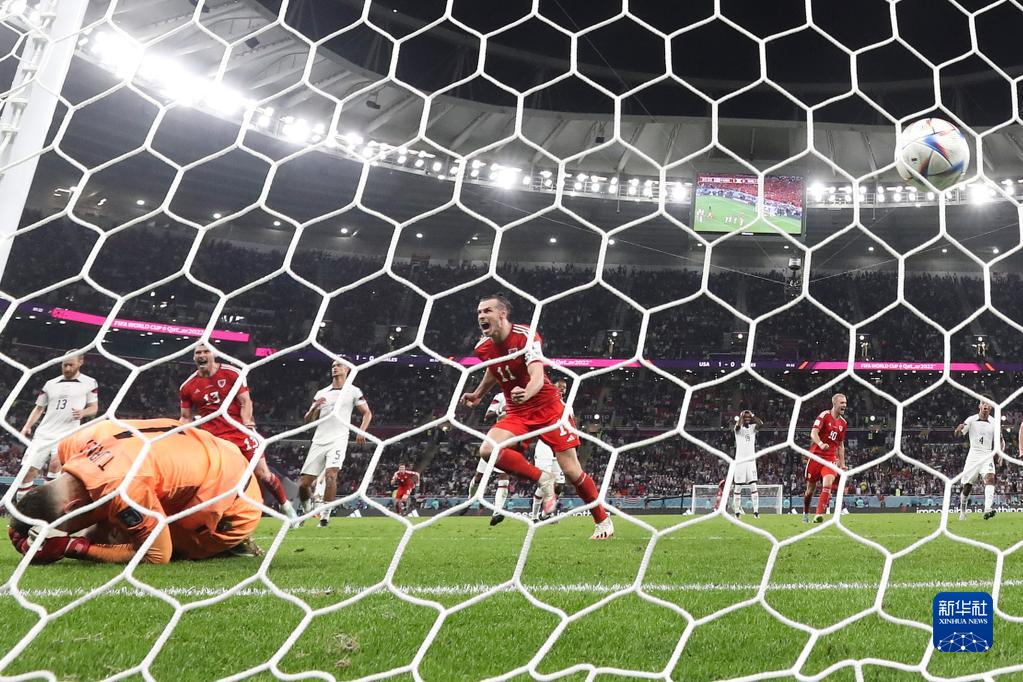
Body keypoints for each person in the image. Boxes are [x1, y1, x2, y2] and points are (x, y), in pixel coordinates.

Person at [460, 295, 613, 540]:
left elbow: (538, 375)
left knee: (571, 471)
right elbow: (495, 367)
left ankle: (602, 520)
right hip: (518, 412)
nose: (481, 316)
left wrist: (527, 392)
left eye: (487, 311)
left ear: (502, 314)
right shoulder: (483, 347)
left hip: (548, 409)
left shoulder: (525, 336)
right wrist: (478, 394)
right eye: (479, 312)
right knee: (488, 450)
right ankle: (543, 479)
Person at [9, 418, 262, 564]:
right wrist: (19, 524)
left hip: (236, 501)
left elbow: (158, 555)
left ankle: (231, 543)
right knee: (113, 521)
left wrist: (73, 547)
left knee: (118, 538)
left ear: (71, 508)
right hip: (202, 447)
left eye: (66, 526)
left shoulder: (123, 489)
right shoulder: (72, 444)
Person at [179, 343, 296, 520]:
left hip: (239, 432)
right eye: (198, 353)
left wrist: (247, 423)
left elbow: (245, 401)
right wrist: (180, 434)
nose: (202, 355)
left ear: (214, 354)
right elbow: (185, 417)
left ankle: (286, 506)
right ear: (194, 357)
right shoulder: (187, 386)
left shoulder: (232, 373)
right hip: (214, 440)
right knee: (217, 480)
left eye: (205, 351)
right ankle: (225, 517)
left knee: (263, 475)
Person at [297, 360, 372, 527]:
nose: (335, 368)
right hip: (319, 440)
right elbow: (308, 421)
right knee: (303, 485)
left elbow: (367, 413)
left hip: (339, 439)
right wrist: (314, 408)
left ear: (347, 369)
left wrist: (361, 431)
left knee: (331, 476)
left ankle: (325, 516)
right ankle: (307, 509)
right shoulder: (322, 393)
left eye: (338, 365)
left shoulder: (353, 391)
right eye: (333, 366)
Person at [15, 353, 98, 501]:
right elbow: (39, 408)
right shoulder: (50, 384)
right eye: (64, 365)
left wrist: (83, 412)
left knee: (55, 467)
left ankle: (47, 507)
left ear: (80, 362)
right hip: (44, 433)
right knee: (28, 471)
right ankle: (20, 507)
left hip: (67, 434)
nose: (67, 368)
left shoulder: (90, 383)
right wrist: (27, 426)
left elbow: (94, 408)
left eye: (71, 365)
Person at [463, 391, 512, 525]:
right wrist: (501, 410)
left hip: (511, 440)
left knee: (504, 477)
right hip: (495, 439)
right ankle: (470, 499)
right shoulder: (500, 397)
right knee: (479, 476)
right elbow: (487, 417)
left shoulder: (527, 396)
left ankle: (497, 511)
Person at [802, 394, 847, 523]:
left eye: (845, 403)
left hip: (830, 459)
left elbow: (840, 445)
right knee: (810, 490)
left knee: (827, 484)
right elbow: (813, 433)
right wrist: (821, 444)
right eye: (842, 403)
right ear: (834, 403)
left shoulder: (843, 423)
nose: (844, 405)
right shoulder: (824, 416)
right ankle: (806, 513)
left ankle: (818, 514)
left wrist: (842, 464)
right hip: (816, 457)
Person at [530, 378, 570, 521]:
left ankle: (545, 514)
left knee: (559, 485)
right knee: (545, 482)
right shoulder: (544, 403)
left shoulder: (567, 407)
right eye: (560, 387)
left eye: (564, 388)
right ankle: (534, 516)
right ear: (553, 388)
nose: (562, 389)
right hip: (545, 446)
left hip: (560, 447)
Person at [955, 400, 1002, 520]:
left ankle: (987, 509)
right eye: (983, 403)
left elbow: (1001, 440)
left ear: (990, 407)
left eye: (988, 404)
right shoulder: (971, 420)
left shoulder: (994, 422)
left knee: (990, 478)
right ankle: (962, 512)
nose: (985, 405)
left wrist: (1000, 455)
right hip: (973, 457)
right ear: (979, 406)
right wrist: (958, 430)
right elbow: (958, 434)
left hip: (987, 455)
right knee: (967, 487)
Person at [732, 410, 763, 518]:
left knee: (753, 485)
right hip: (740, 461)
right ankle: (737, 512)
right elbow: (737, 427)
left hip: (751, 461)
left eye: (748, 418)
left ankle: (756, 512)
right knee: (738, 487)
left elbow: (761, 424)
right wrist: (742, 416)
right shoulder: (738, 429)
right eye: (745, 418)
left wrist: (752, 415)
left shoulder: (753, 428)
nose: (747, 419)